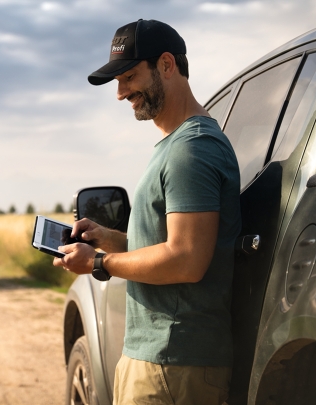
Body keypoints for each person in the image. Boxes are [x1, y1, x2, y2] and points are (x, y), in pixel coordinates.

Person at [54, 19, 241, 405]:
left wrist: (99, 264)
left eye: (129, 77)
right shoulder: (177, 146)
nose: (121, 94)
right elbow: (169, 244)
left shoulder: (193, 149)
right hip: (160, 362)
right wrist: (112, 240)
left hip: (173, 363)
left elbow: (187, 259)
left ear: (167, 65)